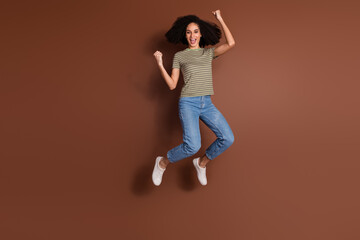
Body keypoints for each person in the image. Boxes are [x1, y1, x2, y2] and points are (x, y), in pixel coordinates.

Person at [152, 10, 235, 186]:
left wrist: (219, 18)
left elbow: (231, 43)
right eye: (189, 32)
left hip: (207, 103)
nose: (192, 35)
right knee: (192, 146)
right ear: (185, 34)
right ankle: (162, 162)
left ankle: (201, 163)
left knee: (227, 138)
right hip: (188, 103)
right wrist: (160, 65)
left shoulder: (208, 53)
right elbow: (172, 85)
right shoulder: (180, 56)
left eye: (195, 31)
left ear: (201, 34)